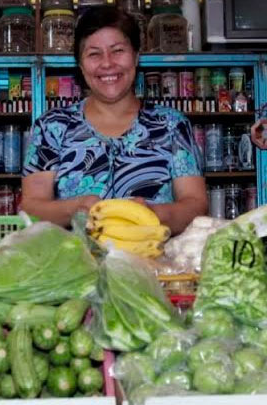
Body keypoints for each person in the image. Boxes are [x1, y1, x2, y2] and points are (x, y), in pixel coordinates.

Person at [20, 6, 208, 234]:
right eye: (94, 54)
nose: (107, 63)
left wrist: (154, 213)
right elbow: (30, 207)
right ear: (80, 64)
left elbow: (195, 205)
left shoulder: (171, 124)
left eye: (117, 50)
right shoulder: (52, 127)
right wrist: (75, 209)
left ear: (136, 56)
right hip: (75, 264)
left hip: (154, 265)